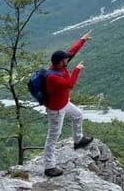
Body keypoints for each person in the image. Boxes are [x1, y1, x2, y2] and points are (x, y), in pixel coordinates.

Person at [43, 30, 94, 177]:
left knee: (78, 115)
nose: (68, 59)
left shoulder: (60, 66)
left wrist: (82, 40)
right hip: (56, 109)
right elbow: (70, 84)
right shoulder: (53, 76)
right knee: (53, 136)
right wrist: (77, 70)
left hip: (64, 103)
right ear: (60, 62)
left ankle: (78, 140)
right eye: (65, 59)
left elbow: (71, 52)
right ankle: (49, 166)